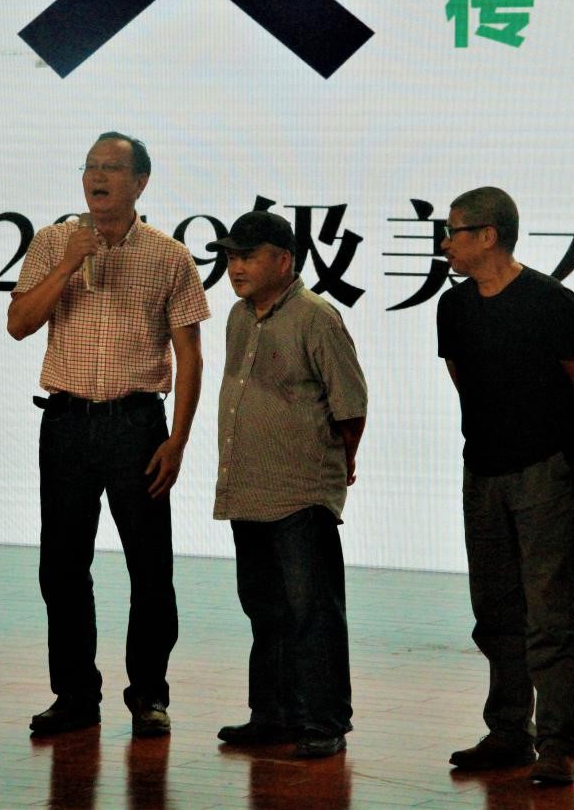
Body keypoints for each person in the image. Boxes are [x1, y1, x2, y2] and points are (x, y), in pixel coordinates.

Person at [7, 132, 210, 738]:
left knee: (150, 569)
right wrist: (69, 263)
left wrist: (178, 439)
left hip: (137, 425)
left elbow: (190, 355)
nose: (97, 177)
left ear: (140, 182)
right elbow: (19, 323)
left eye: (111, 168)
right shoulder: (52, 243)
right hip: (66, 422)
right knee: (62, 567)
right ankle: (74, 695)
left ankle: (148, 695)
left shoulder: (170, 256)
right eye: (90, 166)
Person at [436, 187, 574, 785]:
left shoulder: (551, 301)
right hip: (482, 470)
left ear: (488, 235)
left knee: (550, 616)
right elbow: (464, 380)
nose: (446, 243)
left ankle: (557, 745)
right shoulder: (453, 307)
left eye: (454, 231)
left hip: (545, 473)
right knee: (495, 611)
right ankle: (509, 731)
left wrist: (565, 455)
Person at [207, 211, 368, 759]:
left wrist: (337, 464)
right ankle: (273, 716)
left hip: (300, 490)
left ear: (283, 260)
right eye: (231, 257)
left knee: (312, 611)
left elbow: (351, 406)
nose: (235, 267)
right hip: (248, 487)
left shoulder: (316, 317)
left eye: (247, 256)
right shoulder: (237, 316)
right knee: (265, 609)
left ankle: (324, 721)